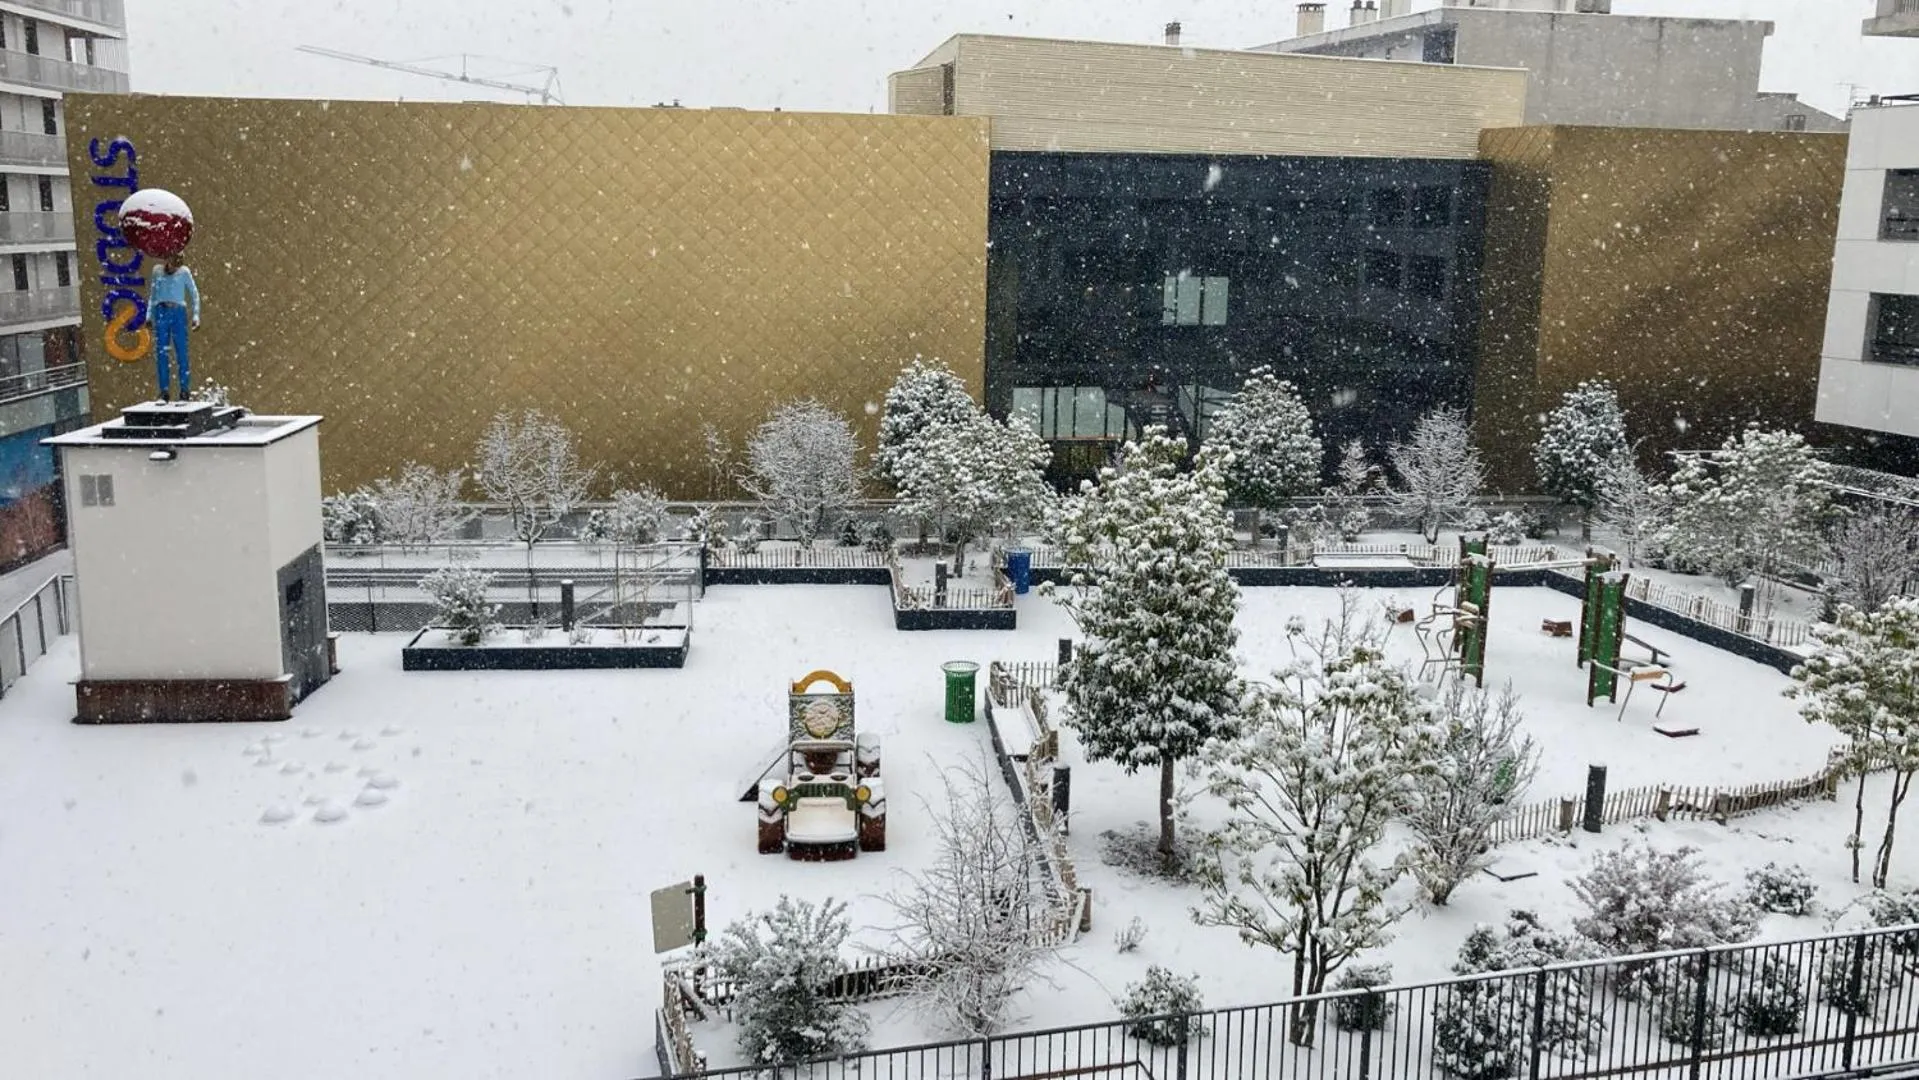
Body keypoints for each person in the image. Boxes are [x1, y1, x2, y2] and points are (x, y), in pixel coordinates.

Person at [148, 253, 200, 401]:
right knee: (162, 353)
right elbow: (153, 294)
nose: (174, 268)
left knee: (182, 352)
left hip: (178, 312)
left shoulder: (184, 272)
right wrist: (148, 315)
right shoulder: (157, 271)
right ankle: (164, 391)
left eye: (177, 265)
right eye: (172, 264)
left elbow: (194, 294)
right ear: (167, 260)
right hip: (161, 311)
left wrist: (196, 315)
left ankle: (184, 390)